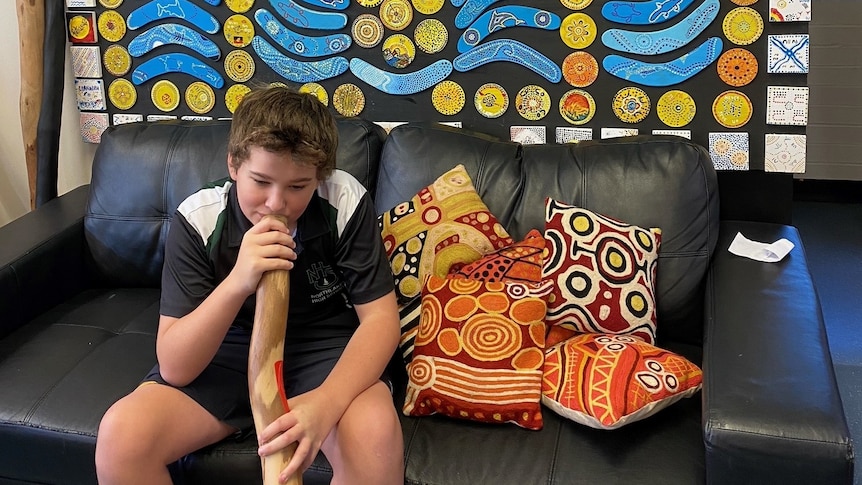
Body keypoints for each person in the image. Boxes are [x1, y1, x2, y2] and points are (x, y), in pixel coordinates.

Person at [95, 85, 404, 485]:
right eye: (260, 181)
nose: (277, 204)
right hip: (228, 349)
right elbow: (175, 366)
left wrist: (325, 405)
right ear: (234, 165)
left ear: (319, 177)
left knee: (375, 435)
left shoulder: (343, 200)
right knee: (122, 437)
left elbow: (380, 321)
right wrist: (237, 282)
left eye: (298, 187)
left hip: (326, 348)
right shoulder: (199, 219)